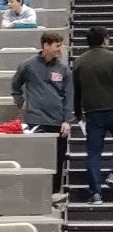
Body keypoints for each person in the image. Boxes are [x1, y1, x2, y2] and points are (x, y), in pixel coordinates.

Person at [12, 31, 74, 201]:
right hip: (35, 119)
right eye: (57, 46)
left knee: (57, 159)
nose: (59, 49)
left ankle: (54, 193)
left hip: (58, 121)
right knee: (35, 159)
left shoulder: (63, 69)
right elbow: (15, 84)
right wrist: (19, 100)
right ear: (46, 45)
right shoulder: (28, 65)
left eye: (60, 46)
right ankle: (34, 196)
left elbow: (69, 96)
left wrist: (67, 120)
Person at [74, 27, 113, 205]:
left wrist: (77, 113)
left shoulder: (80, 62)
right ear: (104, 39)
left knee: (94, 154)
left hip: (92, 113)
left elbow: (77, 90)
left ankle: (95, 193)